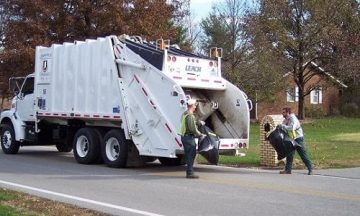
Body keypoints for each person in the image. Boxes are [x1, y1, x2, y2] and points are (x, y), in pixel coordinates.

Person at [279, 107, 313, 175]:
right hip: (291, 139)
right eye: (282, 112)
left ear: (288, 112)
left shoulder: (292, 118)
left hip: (298, 138)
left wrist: (283, 126)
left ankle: (310, 169)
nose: (282, 114)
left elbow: (292, 128)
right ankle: (288, 170)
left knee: (302, 154)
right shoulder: (286, 119)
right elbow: (283, 127)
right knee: (289, 155)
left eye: (284, 112)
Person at [179, 98, 205, 179]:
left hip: (185, 137)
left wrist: (199, 122)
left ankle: (189, 172)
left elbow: (191, 122)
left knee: (188, 155)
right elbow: (192, 128)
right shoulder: (190, 116)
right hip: (189, 138)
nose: (195, 107)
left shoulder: (185, 114)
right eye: (194, 105)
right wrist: (201, 135)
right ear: (191, 106)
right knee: (191, 155)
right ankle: (190, 173)